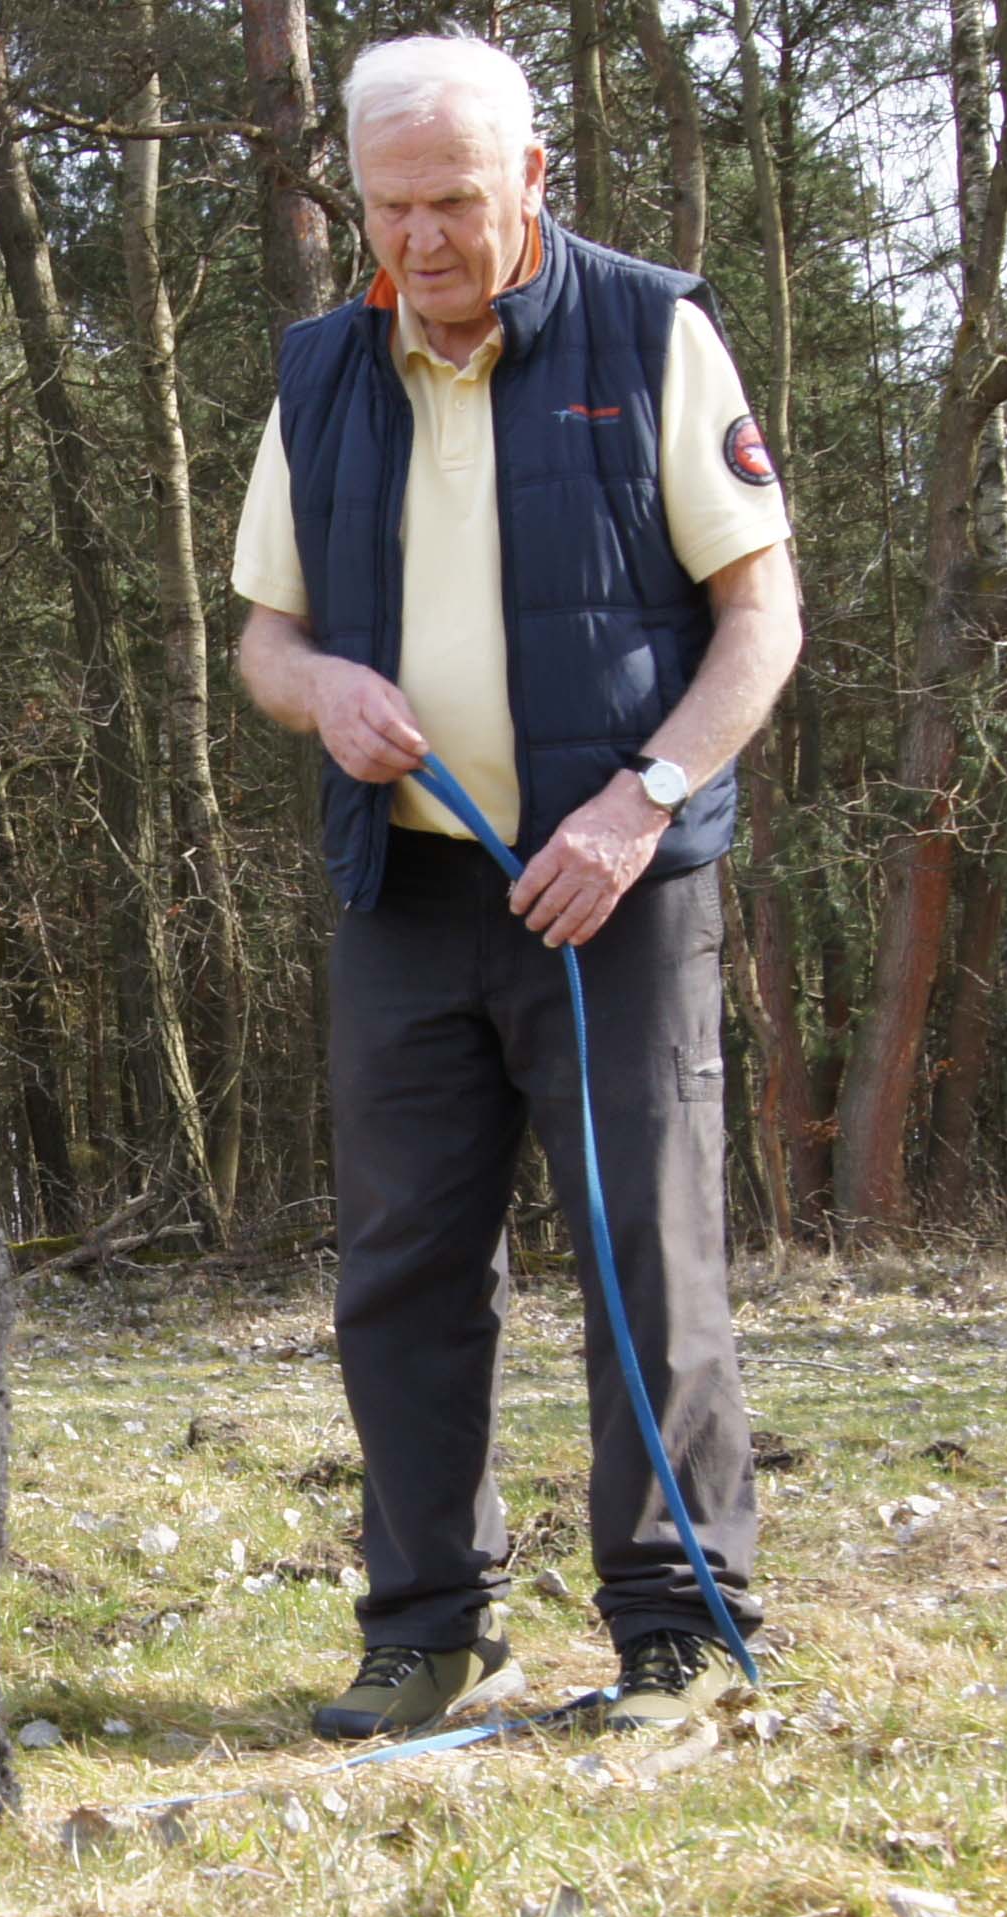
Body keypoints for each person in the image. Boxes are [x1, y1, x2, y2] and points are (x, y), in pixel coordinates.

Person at [231, 33, 802, 1738]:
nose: (425, 239)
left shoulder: (653, 331)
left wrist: (644, 802)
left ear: (532, 181)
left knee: (648, 1250)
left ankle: (679, 1631)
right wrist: (319, 690)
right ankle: (425, 1625)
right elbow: (268, 636)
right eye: (393, 206)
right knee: (403, 1267)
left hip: (616, 890)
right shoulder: (322, 374)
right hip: (406, 902)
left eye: (458, 201)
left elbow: (763, 620)